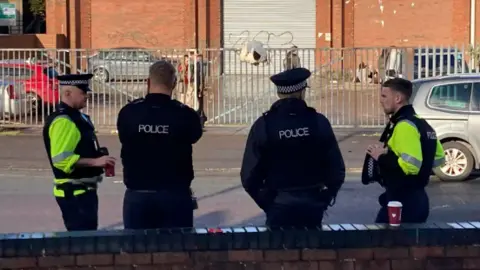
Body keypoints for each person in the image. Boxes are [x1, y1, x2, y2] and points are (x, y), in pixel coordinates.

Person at [240, 67, 346, 228]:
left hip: (278, 203)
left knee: (279, 250)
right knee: (312, 249)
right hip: (313, 202)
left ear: (279, 93)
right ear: (302, 92)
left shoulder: (264, 125)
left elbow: (249, 175)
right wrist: (325, 198)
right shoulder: (318, 122)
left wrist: (268, 202)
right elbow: (336, 168)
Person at [117, 60, 203, 229]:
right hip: (175, 194)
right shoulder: (185, 114)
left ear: (148, 82)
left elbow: (124, 137)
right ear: (174, 84)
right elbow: (194, 136)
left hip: (138, 193)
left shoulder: (129, 112)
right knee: (177, 249)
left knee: (137, 250)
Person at [363, 77, 445, 223]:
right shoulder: (421, 122)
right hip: (418, 199)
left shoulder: (404, 126)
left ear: (398, 98)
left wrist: (380, 157)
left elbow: (412, 166)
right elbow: (439, 158)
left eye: (384, 96)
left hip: (402, 203)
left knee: (382, 242)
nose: (381, 100)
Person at [42, 74, 116, 231]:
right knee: (82, 242)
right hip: (74, 194)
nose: (86, 96)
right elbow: (61, 159)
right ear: (68, 93)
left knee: (86, 239)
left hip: (83, 191)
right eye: (82, 92)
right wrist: (95, 162)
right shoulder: (64, 121)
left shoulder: (78, 117)